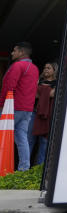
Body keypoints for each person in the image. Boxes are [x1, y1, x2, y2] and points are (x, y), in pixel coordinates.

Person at [1, 42, 39, 171]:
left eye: (14, 51)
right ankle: (24, 169)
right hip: (27, 109)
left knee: (3, 134)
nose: (12, 53)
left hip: (13, 107)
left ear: (21, 52)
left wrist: (2, 105)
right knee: (22, 138)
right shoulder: (34, 68)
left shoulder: (17, 66)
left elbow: (9, 87)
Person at [32, 61, 58, 166]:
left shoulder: (57, 83)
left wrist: (42, 90)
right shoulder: (38, 81)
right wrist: (46, 90)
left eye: (48, 68)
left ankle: (38, 168)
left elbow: (52, 94)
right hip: (34, 113)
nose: (46, 70)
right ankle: (24, 170)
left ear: (54, 70)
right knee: (30, 140)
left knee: (43, 143)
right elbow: (34, 96)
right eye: (45, 67)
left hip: (47, 116)